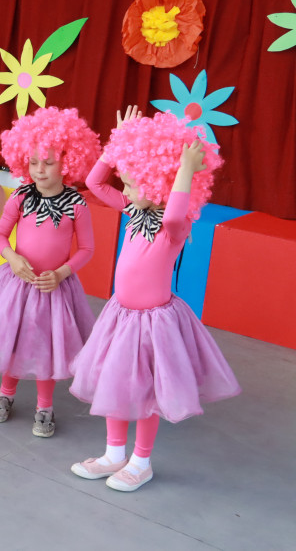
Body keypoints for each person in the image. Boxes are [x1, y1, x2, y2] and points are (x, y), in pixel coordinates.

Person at [69, 107, 241, 492]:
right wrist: (117, 144)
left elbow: (176, 208)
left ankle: (140, 461)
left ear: (156, 182)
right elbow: (96, 183)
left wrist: (183, 169)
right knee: (115, 383)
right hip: (121, 315)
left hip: (153, 321)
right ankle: (114, 454)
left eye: (132, 184)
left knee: (146, 392)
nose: (125, 191)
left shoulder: (174, 227)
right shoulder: (133, 211)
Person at [0, 107, 100, 438]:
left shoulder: (77, 204)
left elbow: (87, 249)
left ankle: (44, 407)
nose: (40, 169)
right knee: (13, 341)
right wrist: (12, 258)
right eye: (33, 162)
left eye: (48, 162)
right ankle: (6, 394)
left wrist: (62, 272)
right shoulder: (19, 197)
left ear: (68, 161)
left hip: (53, 287)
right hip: (18, 283)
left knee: (46, 348)